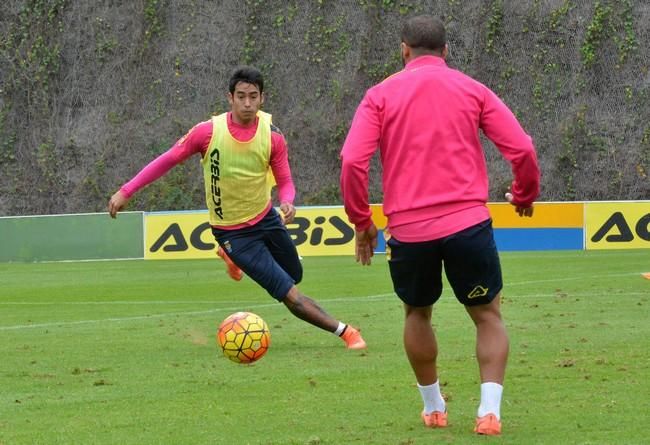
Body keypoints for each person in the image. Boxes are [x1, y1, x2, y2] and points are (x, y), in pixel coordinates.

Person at [340, 16, 540, 435]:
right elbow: (521, 148)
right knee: (487, 315)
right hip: (468, 224)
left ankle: (434, 407)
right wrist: (524, 195)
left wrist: (363, 221)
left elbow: (353, 162)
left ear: (404, 50)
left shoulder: (379, 96)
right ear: (446, 51)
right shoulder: (472, 89)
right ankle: (489, 412)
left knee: (417, 313)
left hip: (410, 232)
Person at [109, 66, 366, 350]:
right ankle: (346, 332)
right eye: (241, 96)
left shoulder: (273, 136)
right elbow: (168, 159)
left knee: (294, 274)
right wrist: (127, 190)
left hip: (266, 217)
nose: (247, 103)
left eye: (253, 97)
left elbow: (286, 180)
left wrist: (288, 201)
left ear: (262, 99)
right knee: (290, 294)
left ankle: (231, 259)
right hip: (233, 233)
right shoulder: (207, 133)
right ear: (229, 97)